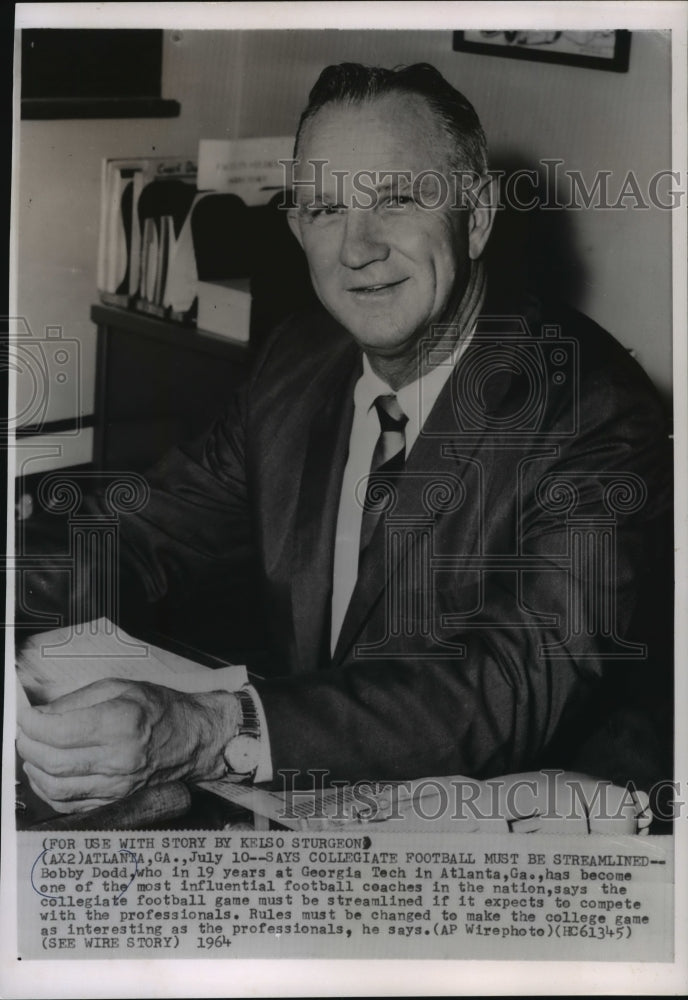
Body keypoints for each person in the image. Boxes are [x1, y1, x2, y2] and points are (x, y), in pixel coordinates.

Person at [16, 63, 672, 822]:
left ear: (479, 214)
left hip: (531, 827)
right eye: (325, 208)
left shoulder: (593, 409)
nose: (357, 247)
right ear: (297, 230)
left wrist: (216, 728)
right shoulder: (300, 364)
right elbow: (141, 533)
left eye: (395, 198)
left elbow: (514, 684)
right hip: (322, 808)